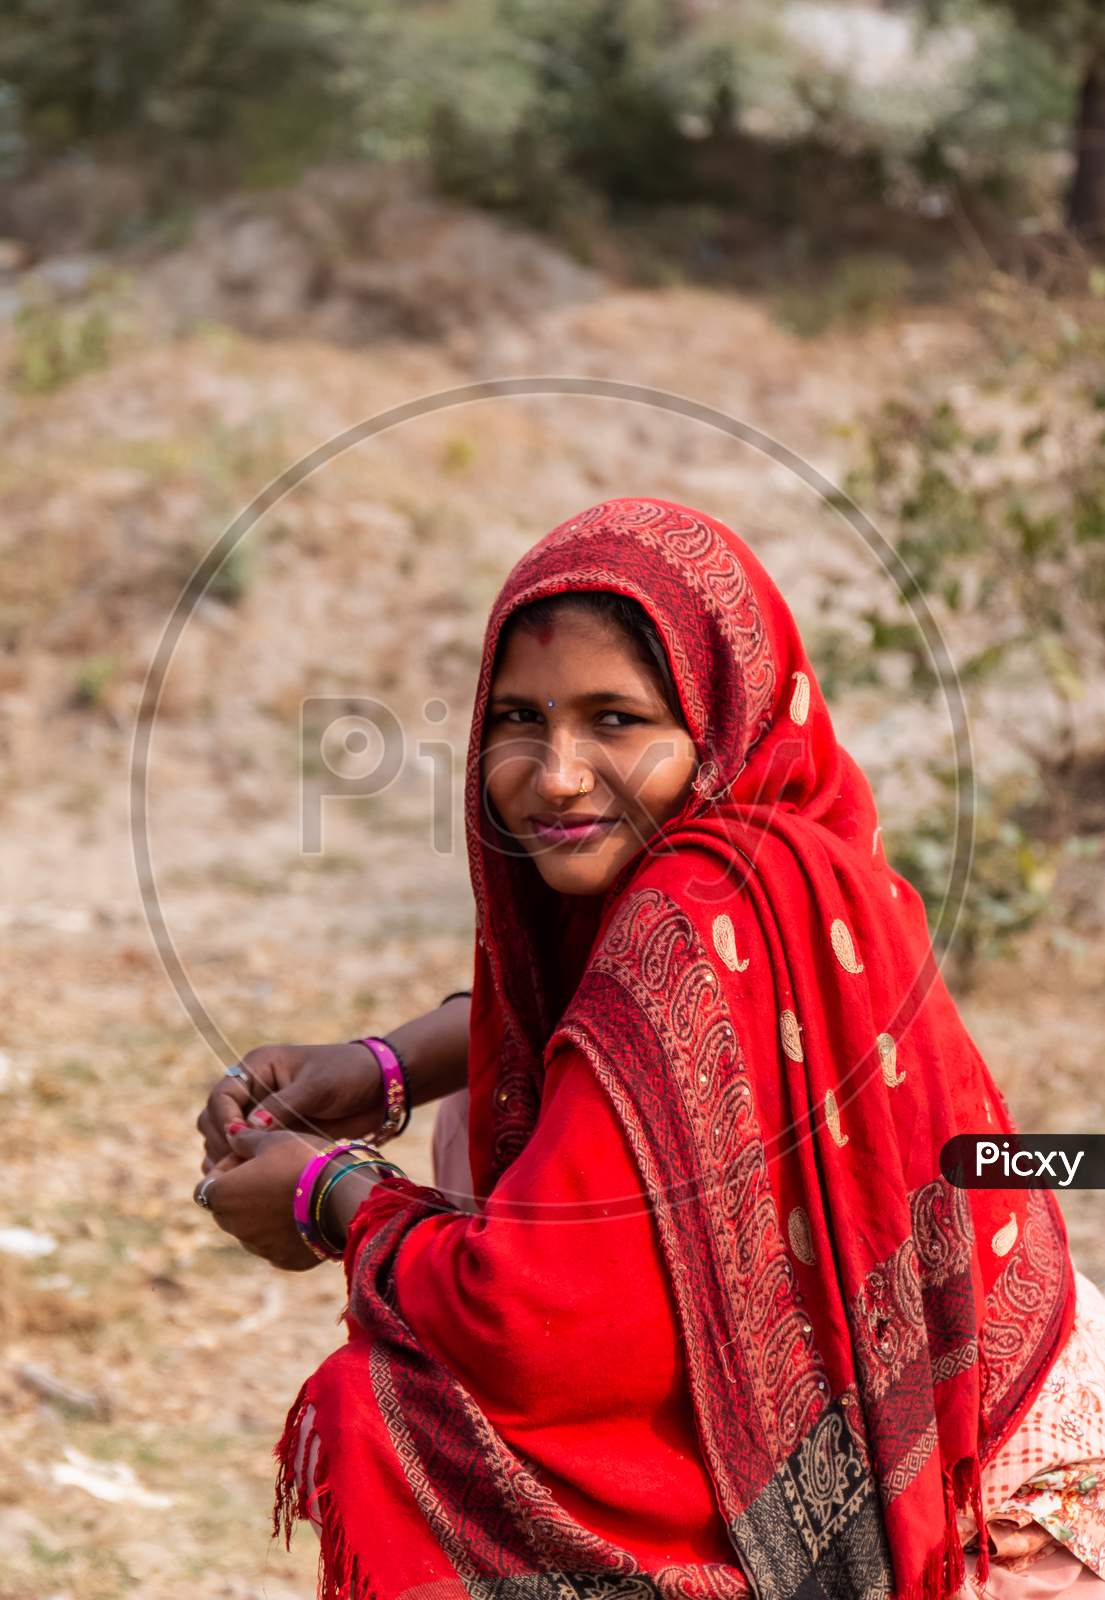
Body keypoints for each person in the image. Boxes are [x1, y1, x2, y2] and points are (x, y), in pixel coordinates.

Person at [194, 497, 1105, 1600]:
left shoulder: (694, 907)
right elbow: (591, 1019)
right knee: (477, 1130)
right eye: (520, 718)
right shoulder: (800, 838)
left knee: (387, 1414)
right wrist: (382, 1065)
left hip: (994, 1529)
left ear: (716, 722)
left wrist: (330, 1198)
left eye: (616, 720)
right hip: (1015, 1390)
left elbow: (529, 1316)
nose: (559, 773)